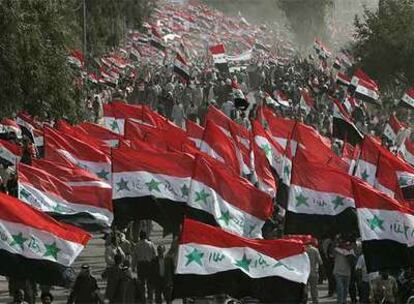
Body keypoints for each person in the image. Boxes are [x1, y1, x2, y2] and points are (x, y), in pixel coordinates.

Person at [132, 231, 157, 303]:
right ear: (146, 236)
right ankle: (150, 298)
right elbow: (154, 255)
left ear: (140, 237)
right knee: (150, 283)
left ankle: (143, 299)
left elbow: (134, 257)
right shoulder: (150, 244)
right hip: (149, 265)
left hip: (140, 265)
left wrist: (133, 267)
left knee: (141, 283)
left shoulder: (137, 245)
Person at [333, 240, 355, 304]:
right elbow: (331, 253)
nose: (347, 246)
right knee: (340, 288)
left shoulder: (351, 252)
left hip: (347, 273)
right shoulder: (337, 250)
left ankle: (344, 301)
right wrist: (335, 241)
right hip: (338, 273)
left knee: (346, 289)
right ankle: (340, 301)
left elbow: (353, 262)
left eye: (348, 245)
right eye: (345, 244)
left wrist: (349, 254)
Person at [306, 238, 323, 304]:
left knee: (305, 288)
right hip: (314, 272)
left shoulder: (302, 250)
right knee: (314, 288)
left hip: (305, 273)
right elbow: (320, 262)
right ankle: (315, 301)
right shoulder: (315, 250)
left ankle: (305, 300)